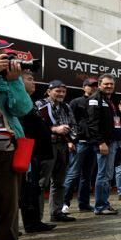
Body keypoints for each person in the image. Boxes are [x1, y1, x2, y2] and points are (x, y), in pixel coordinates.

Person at [0, 40, 35, 240]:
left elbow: (22, 109)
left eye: (5, 56)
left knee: (9, 201)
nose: (3, 60)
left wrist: (13, 83)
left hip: (6, 148)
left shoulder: (8, 79)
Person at [18, 70, 55, 233]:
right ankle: (30, 223)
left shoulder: (28, 101)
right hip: (25, 150)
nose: (34, 83)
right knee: (27, 189)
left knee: (33, 188)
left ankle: (34, 221)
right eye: (30, 79)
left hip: (35, 152)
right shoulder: (19, 102)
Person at [36, 80, 77, 223]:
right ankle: (37, 218)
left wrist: (71, 139)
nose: (61, 94)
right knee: (41, 182)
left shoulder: (66, 106)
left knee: (59, 182)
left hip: (63, 146)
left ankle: (57, 212)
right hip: (47, 146)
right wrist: (54, 129)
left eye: (63, 91)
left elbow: (73, 124)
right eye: (57, 91)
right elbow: (36, 126)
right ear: (49, 91)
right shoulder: (40, 104)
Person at [63, 77, 98, 212]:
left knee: (87, 176)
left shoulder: (98, 102)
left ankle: (83, 204)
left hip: (92, 143)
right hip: (79, 143)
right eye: (91, 85)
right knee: (73, 173)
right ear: (84, 87)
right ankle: (64, 203)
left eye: (95, 85)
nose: (93, 87)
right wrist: (70, 141)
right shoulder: (76, 102)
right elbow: (68, 121)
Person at [88, 73, 120, 216]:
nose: (109, 86)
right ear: (100, 84)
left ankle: (104, 203)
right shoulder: (96, 99)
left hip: (111, 142)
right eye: (106, 84)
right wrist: (100, 142)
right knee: (103, 175)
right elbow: (92, 123)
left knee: (107, 174)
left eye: (111, 84)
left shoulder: (109, 100)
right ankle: (100, 206)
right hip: (104, 143)